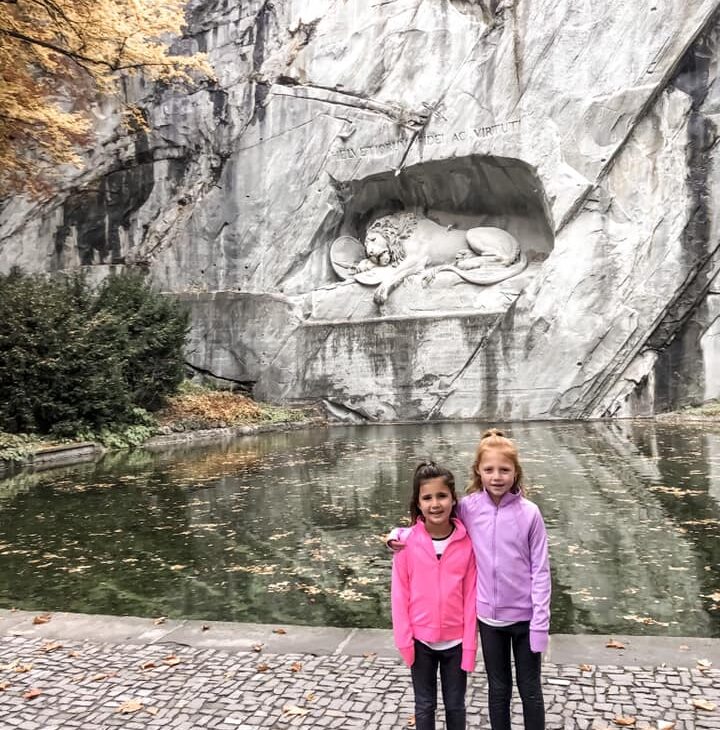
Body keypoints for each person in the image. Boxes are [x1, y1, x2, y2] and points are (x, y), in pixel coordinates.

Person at [388, 430, 550, 730]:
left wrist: (541, 622)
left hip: (526, 618)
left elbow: (540, 570)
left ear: (516, 472)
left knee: (530, 691)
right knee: (498, 689)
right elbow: (432, 520)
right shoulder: (470, 508)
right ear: (478, 471)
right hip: (488, 619)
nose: (497, 476)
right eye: (489, 469)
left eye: (504, 469)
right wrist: (396, 536)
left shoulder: (530, 514)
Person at [391, 461, 477, 730]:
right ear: (418, 503)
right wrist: (404, 640)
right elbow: (399, 595)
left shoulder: (467, 544)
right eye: (427, 498)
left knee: (455, 706)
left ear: (453, 499)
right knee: (424, 705)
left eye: (441, 496)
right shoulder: (406, 544)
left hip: (456, 642)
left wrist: (469, 645)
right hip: (420, 642)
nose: (435, 504)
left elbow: (471, 597)